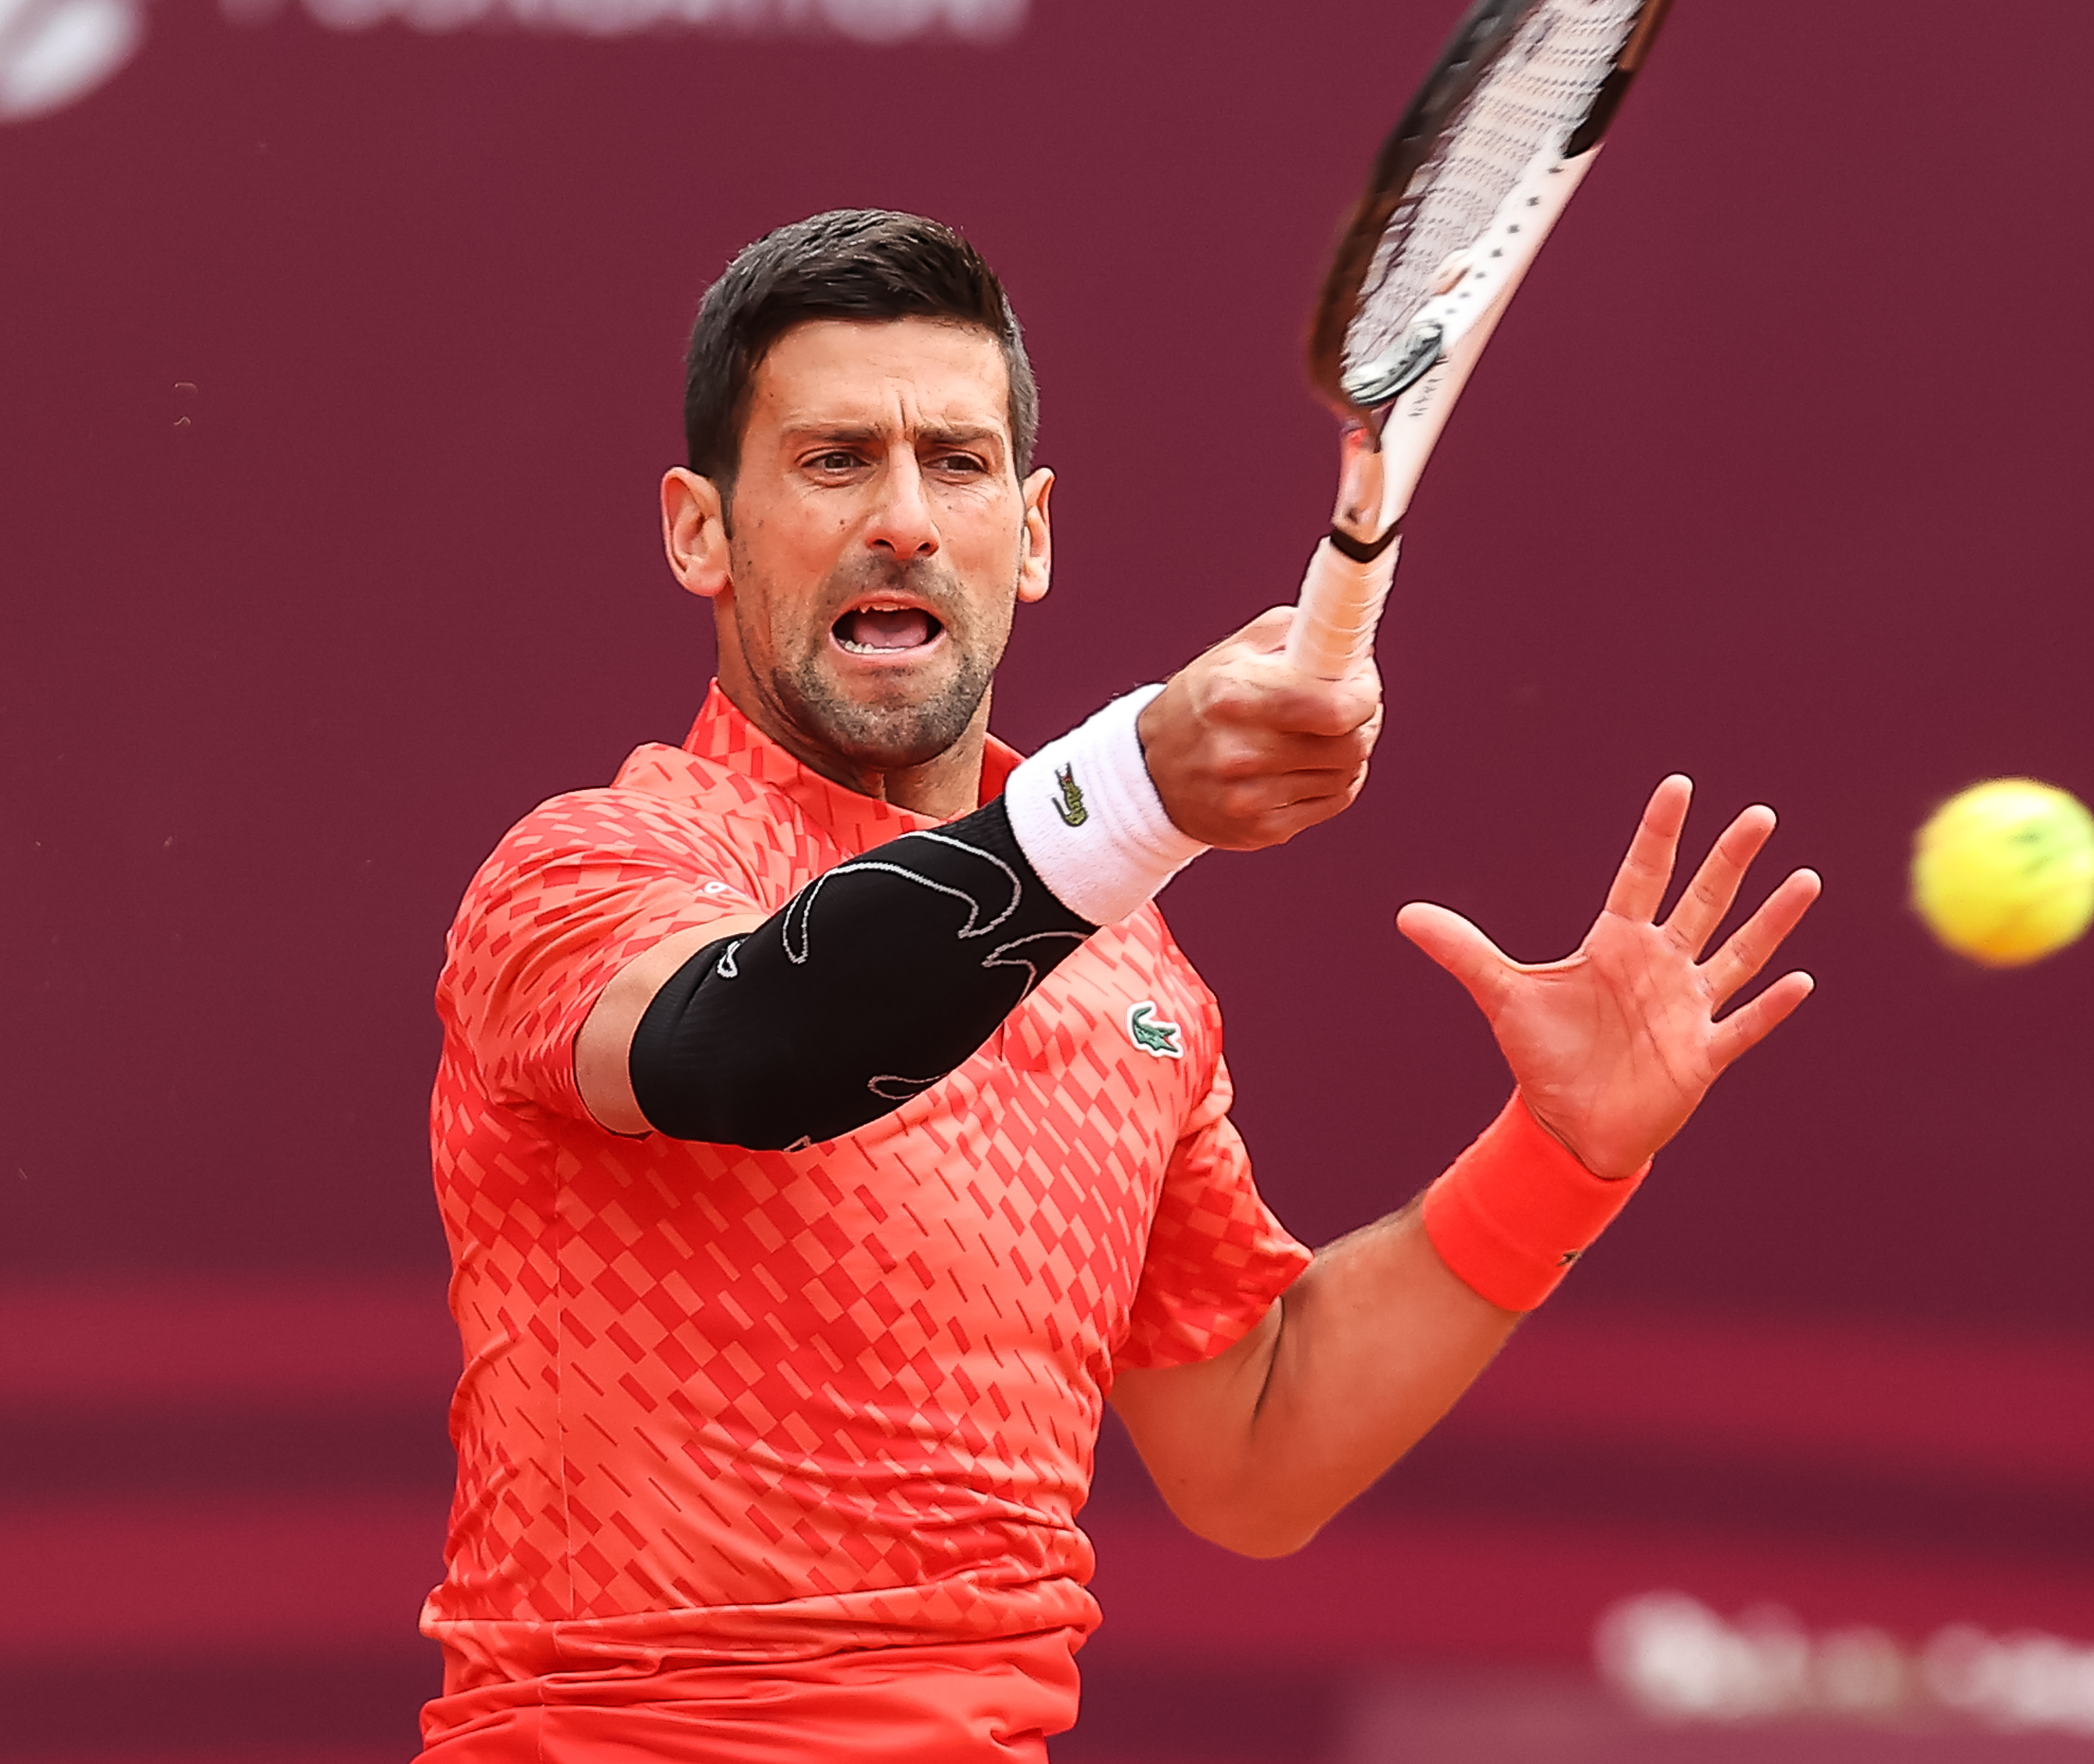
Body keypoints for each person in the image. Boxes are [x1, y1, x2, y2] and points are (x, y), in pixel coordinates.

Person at [418, 210, 1821, 1761]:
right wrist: (1123, 797)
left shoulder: (1124, 967)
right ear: (700, 529)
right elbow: (754, 1042)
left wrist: (1562, 1154)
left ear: (1028, 532)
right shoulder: (583, 872)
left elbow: (1257, 1446)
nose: (902, 518)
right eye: (833, 461)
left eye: (954, 463)